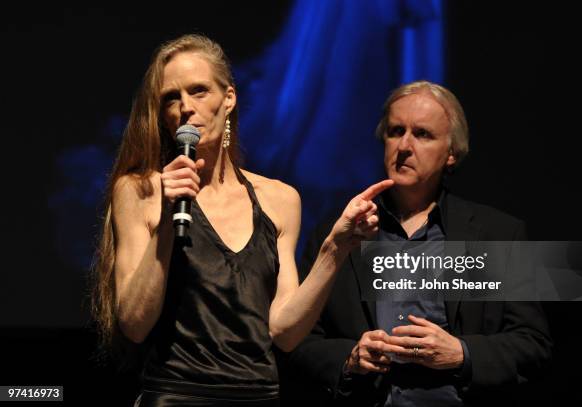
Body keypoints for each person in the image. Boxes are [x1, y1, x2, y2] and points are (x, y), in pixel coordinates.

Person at [90, 34, 393, 406]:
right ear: (164, 115)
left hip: (258, 397)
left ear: (228, 98)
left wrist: (336, 247)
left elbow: (284, 331)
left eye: (199, 91)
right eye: (172, 97)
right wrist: (168, 221)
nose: (186, 107)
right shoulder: (140, 191)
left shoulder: (280, 200)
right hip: (176, 395)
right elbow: (134, 325)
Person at [283, 81, 553, 406]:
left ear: (452, 153)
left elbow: (532, 344)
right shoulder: (340, 234)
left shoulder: (496, 234)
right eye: (396, 131)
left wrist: (461, 353)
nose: (404, 146)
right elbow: (296, 341)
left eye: (423, 134)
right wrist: (350, 358)